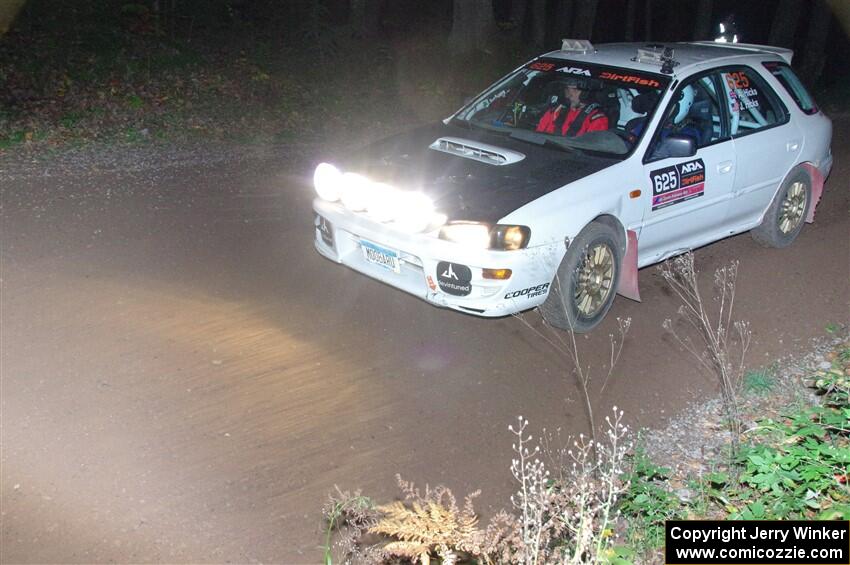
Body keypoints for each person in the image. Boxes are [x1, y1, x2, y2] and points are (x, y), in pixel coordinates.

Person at [536, 77, 609, 137]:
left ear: (586, 94)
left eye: (575, 90)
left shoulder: (596, 119)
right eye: (568, 89)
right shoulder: (555, 111)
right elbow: (538, 137)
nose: (569, 94)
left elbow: (590, 149)